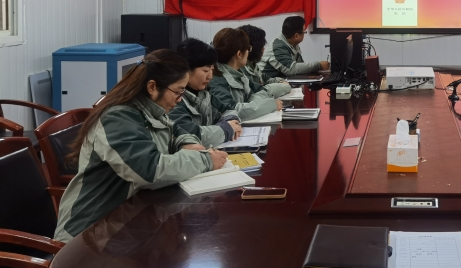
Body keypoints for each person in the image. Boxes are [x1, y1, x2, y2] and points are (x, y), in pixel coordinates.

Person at [54, 50, 229, 242]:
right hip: (90, 233)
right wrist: (205, 160)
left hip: (127, 220)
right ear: (152, 87)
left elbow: (176, 131)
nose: (180, 99)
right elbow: (150, 171)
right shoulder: (118, 119)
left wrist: (188, 144)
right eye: (178, 92)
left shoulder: (151, 110)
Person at [170, 38, 243, 148]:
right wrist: (226, 129)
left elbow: (227, 110)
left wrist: (231, 121)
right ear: (187, 68)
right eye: (205, 70)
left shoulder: (204, 94)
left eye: (212, 70)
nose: (210, 76)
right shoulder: (174, 99)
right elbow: (190, 133)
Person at [207, 28, 291, 121]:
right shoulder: (216, 80)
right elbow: (232, 111)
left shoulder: (239, 73)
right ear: (239, 54)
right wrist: (270, 105)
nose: (248, 52)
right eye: (248, 49)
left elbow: (259, 90)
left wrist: (253, 103)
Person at [260, 15, 330, 80]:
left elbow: (300, 66)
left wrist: (319, 71)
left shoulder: (292, 43)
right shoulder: (278, 47)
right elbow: (291, 69)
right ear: (296, 36)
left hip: (280, 81)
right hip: (265, 83)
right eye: (304, 32)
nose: (304, 34)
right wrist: (318, 65)